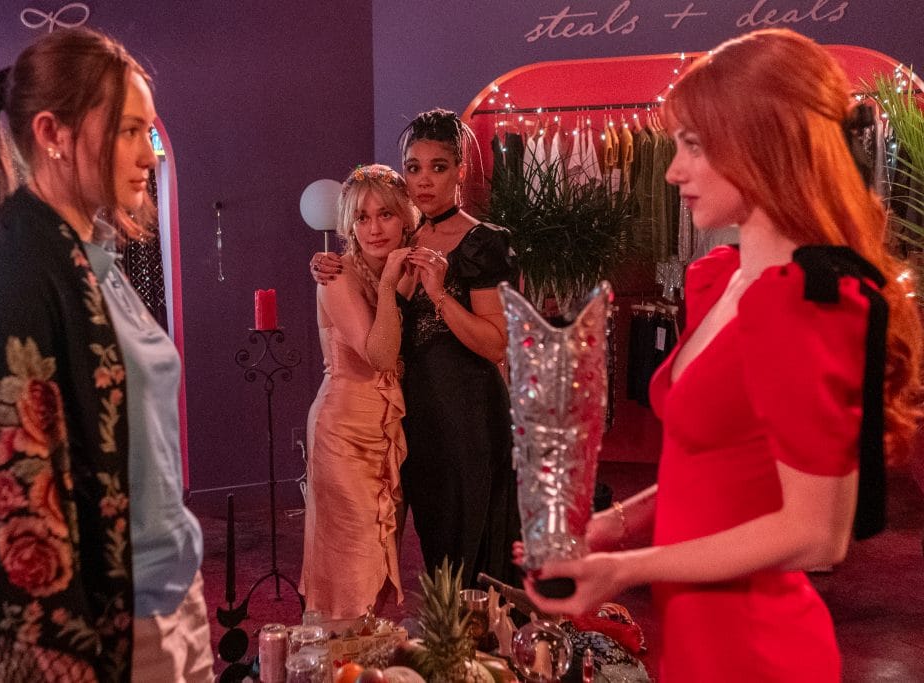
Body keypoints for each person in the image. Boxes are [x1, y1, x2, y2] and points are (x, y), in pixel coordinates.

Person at [522, 29, 923, 682]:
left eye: (694, 146)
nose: (674, 170)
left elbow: (816, 532)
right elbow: (707, 464)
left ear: (762, 143)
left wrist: (624, 568)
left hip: (756, 649)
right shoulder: (726, 279)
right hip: (699, 636)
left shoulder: (805, 298)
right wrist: (612, 524)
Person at [0, 28, 212, 681]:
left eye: (149, 132)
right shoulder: (14, 276)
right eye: (129, 131)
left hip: (173, 596)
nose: (149, 152)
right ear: (53, 132)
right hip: (107, 624)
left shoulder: (96, 261)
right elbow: (19, 508)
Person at [311, 109, 521, 587]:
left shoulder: (482, 244)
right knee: (438, 551)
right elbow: (360, 276)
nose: (424, 180)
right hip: (414, 422)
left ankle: (483, 658)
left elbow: (496, 345)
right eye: (413, 167)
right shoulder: (403, 235)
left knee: (476, 558)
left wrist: (442, 295)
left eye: (438, 166)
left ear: (460, 170)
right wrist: (327, 262)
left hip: (470, 418)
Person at [299, 164, 414, 618]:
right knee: (350, 564)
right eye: (361, 218)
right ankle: (334, 656)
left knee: (380, 563)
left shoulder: (407, 265)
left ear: (404, 217)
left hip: (386, 434)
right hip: (344, 432)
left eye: (384, 214)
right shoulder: (336, 275)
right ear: (348, 224)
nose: (373, 227)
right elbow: (381, 356)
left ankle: (362, 659)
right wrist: (388, 286)